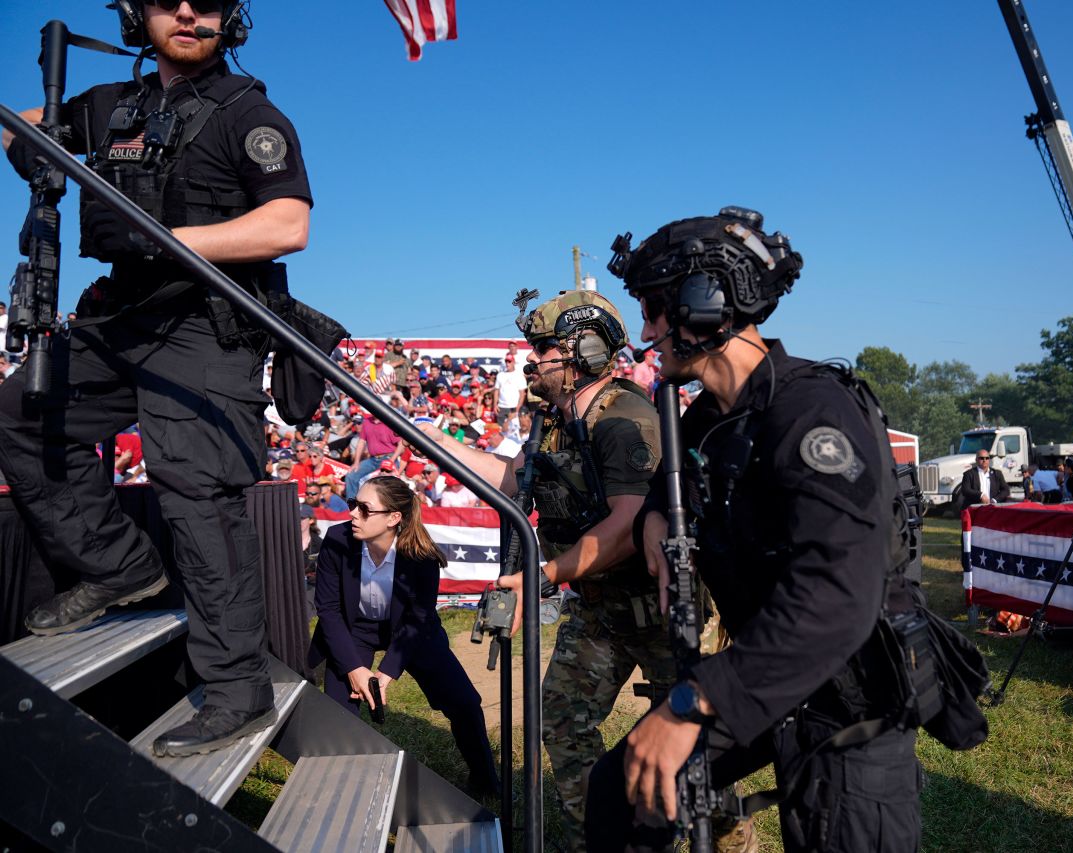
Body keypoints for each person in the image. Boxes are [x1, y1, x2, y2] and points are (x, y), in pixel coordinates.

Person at [0, 0, 311, 756]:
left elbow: (287, 224)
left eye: (204, 1)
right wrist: (31, 146)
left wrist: (167, 238)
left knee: (196, 489)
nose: (184, 12)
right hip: (120, 318)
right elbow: (23, 123)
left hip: (205, 321)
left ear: (228, 18)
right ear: (137, 13)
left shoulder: (250, 111)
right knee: (20, 414)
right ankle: (119, 565)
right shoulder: (113, 105)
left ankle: (238, 688)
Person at [586, 207, 921, 852]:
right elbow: (680, 473)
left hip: (850, 693)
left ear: (705, 305)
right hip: (767, 669)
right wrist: (657, 509)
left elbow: (837, 599)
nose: (645, 331)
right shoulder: (711, 414)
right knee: (623, 788)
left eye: (655, 310)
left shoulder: (814, 411)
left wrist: (692, 702)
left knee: (834, 830)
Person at [420, 290, 708, 853]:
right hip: (602, 607)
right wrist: (439, 444)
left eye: (545, 350)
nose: (532, 362)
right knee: (562, 721)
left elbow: (628, 524)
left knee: (700, 757)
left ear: (586, 352)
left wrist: (545, 573)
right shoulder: (555, 424)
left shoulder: (625, 420)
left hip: (666, 610)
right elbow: (512, 480)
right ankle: (594, 840)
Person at [307, 476, 499, 796]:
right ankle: (338, 788)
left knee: (465, 703)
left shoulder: (421, 555)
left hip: (412, 631)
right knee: (338, 711)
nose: (353, 513)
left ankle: (486, 781)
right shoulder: (337, 538)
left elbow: (418, 619)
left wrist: (387, 672)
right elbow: (327, 609)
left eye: (364, 509)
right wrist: (355, 669)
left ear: (394, 518)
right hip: (354, 629)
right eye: (353, 504)